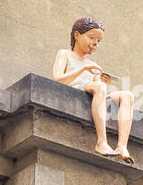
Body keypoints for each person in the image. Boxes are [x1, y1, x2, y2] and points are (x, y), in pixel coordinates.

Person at [52, 17, 135, 164]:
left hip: (91, 92)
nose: (94, 43)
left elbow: (98, 89)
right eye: (91, 37)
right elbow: (57, 79)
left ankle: (122, 146)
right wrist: (83, 68)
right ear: (77, 35)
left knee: (127, 95)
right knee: (99, 87)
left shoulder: (93, 64)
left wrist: (104, 83)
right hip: (74, 91)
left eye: (98, 41)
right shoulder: (65, 54)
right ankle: (101, 141)